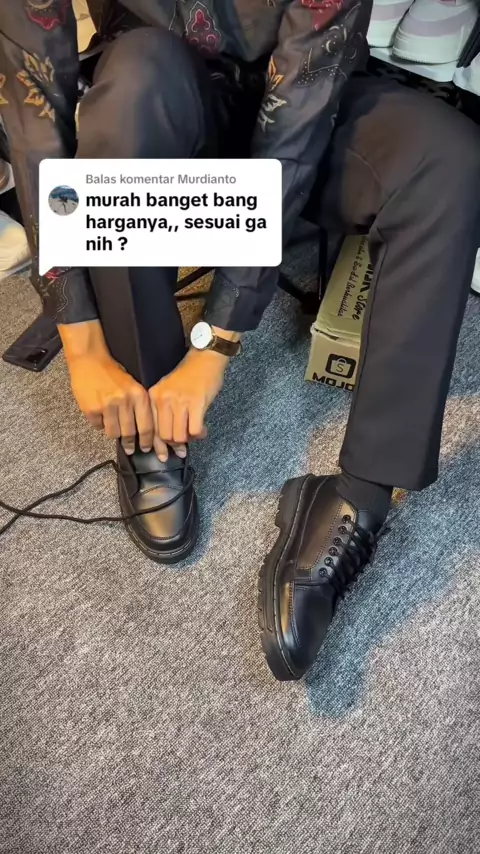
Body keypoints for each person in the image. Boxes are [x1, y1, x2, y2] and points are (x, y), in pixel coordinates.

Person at [1, 0, 480, 682]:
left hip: (303, 108)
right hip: (160, 98)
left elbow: (301, 102)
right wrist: (78, 336)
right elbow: (30, 91)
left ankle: (361, 494)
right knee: (134, 81)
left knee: (451, 160)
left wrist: (215, 343)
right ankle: (148, 417)